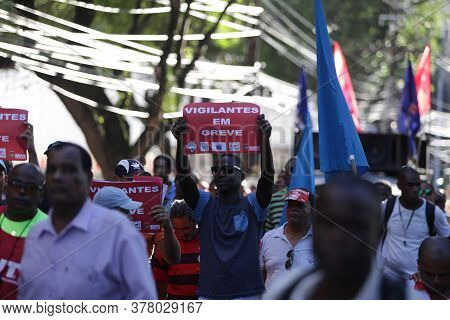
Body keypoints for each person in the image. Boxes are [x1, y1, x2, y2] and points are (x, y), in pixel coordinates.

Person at [19, 142, 157, 299]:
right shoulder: (37, 234)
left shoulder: (122, 234)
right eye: (52, 170)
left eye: (69, 170)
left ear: (88, 178)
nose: (58, 177)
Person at [172, 114, 274, 300]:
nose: (220, 174)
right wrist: (180, 141)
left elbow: (267, 177)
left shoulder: (253, 205)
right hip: (210, 295)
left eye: (228, 170)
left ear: (242, 177)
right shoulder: (205, 205)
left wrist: (265, 140)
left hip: (247, 295)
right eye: (216, 170)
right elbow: (184, 177)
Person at [266, 177, 406, 300]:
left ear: (378, 235)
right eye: (328, 223)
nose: (337, 237)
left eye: (354, 226)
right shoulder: (283, 292)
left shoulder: (404, 299)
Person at [379, 167, 450, 280]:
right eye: (410, 185)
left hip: (418, 281)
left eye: (417, 184)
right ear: (399, 186)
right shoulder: (387, 206)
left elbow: (446, 241)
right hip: (388, 277)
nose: (416, 189)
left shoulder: (432, 212)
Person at [93, 186, 181, 264]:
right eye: (125, 211)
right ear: (107, 213)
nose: (131, 216)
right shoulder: (86, 239)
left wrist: (168, 228)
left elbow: (174, 259)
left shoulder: (131, 237)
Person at [0, 164, 47, 300]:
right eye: (16, 184)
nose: (21, 191)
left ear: (41, 194)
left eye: (31, 188)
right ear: (6, 186)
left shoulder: (52, 234)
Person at [260, 188, 314, 291]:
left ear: (311, 209)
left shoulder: (320, 241)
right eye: (290, 205)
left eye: (299, 205)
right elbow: (260, 276)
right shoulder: (269, 238)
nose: (293, 209)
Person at [152, 201, 200, 300]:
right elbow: (159, 278)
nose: (182, 233)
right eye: (176, 229)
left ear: (196, 221)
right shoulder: (166, 243)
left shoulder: (208, 240)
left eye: (186, 228)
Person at [264, 158, 296, 232]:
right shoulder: (274, 199)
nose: (289, 173)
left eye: (293, 169)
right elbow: (268, 233)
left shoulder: (312, 199)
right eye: (288, 170)